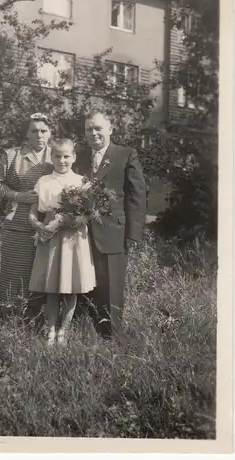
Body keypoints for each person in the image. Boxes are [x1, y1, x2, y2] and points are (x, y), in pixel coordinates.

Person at [73, 109, 146, 338]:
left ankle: (111, 336)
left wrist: (133, 234)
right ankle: (84, 330)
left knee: (111, 287)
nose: (93, 133)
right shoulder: (79, 157)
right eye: (89, 129)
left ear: (110, 129)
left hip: (113, 231)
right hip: (82, 231)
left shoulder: (125, 154)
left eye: (98, 128)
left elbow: (137, 194)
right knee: (85, 282)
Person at [28, 138, 96, 347]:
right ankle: (50, 329)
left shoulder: (82, 182)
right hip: (49, 236)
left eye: (66, 156)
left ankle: (63, 331)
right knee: (52, 287)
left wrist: (75, 219)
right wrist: (38, 226)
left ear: (74, 157)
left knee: (70, 286)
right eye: (57, 156)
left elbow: (89, 213)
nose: (62, 160)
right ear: (51, 157)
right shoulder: (44, 181)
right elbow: (32, 212)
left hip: (73, 238)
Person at [0, 113, 53, 323]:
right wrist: (18, 196)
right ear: (27, 133)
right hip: (17, 222)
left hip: (49, 225)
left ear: (50, 133)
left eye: (43, 131)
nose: (39, 135)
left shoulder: (58, 156)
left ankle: (37, 319)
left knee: (42, 273)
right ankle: (8, 320)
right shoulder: (12, 155)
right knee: (13, 271)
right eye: (34, 130)